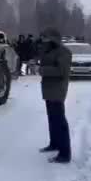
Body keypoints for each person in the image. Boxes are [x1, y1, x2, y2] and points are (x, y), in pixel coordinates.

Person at [37, 27, 72, 163]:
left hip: (57, 90)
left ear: (53, 39)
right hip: (48, 90)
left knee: (59, 121)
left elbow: (62, 71)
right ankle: (54, 143)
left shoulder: (64, 52)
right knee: (52, 119)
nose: (43, 40)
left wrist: (42, 70)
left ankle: (65, 154)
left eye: (46, 38)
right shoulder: (49, 50)